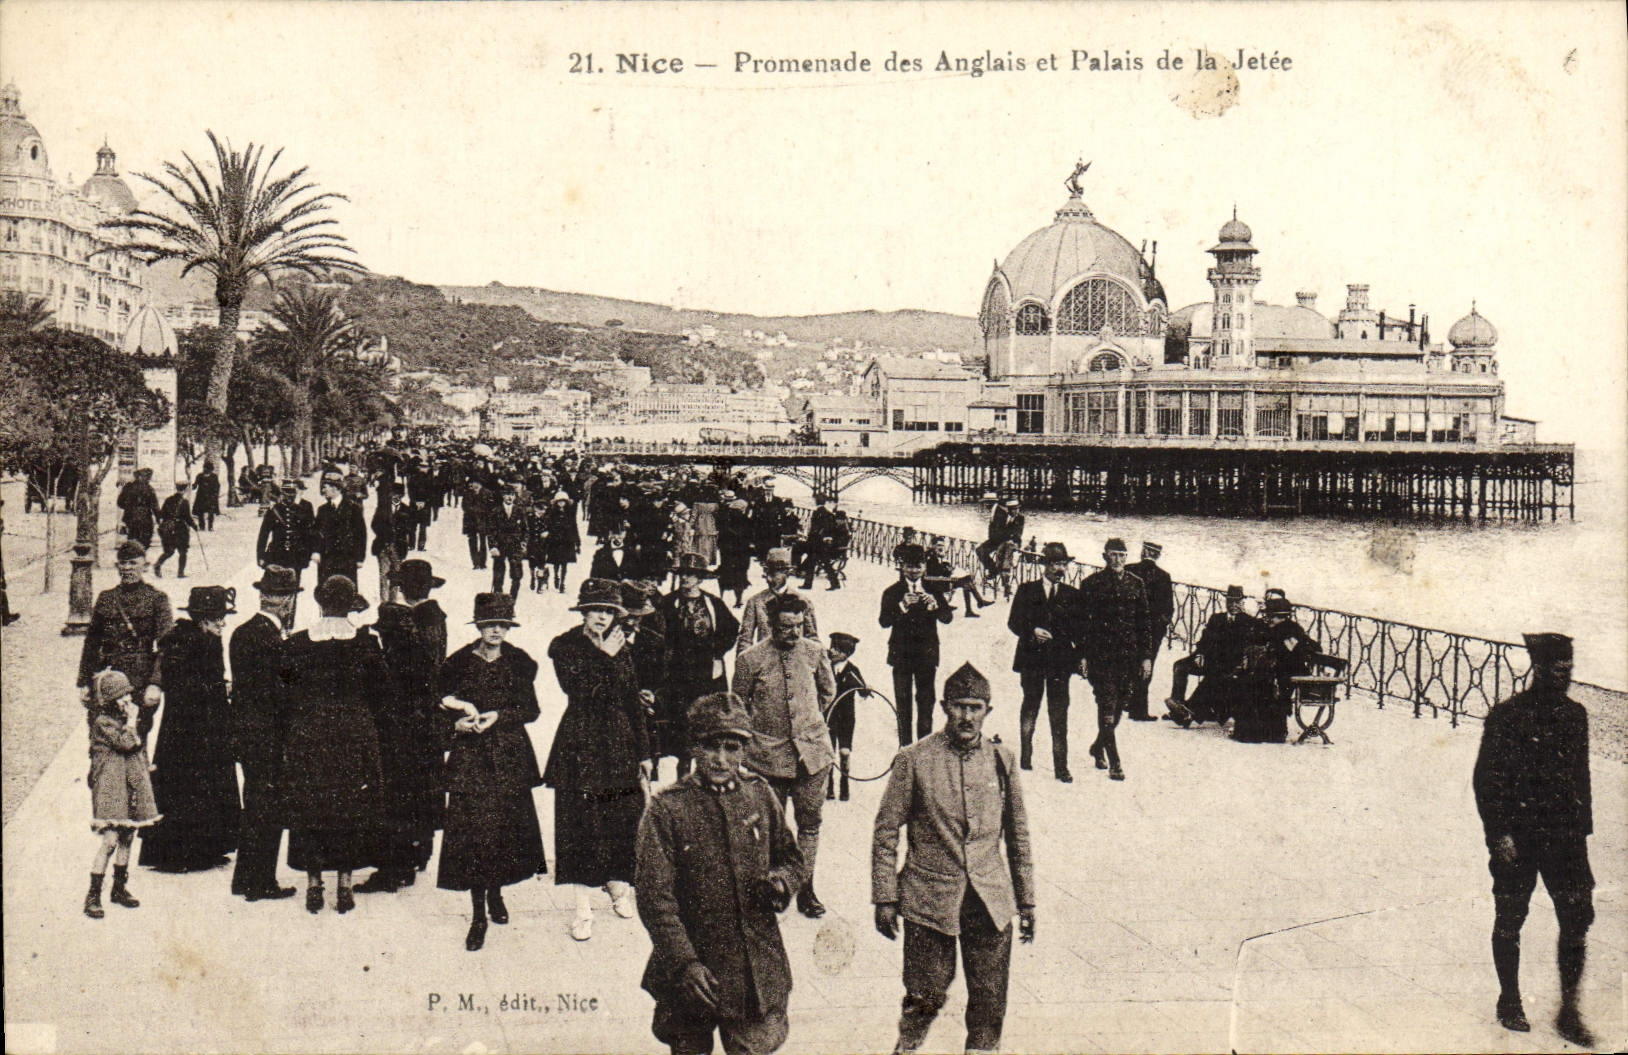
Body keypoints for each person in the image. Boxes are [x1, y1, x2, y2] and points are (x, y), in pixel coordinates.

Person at [872, 662, 1035, 1055]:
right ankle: (907, 1048)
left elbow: (1018, 836)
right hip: (929, 899)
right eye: (959, 706)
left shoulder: (1002, 760)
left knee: (989, 1002)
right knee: (923, 997)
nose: (967, 716)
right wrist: (885, 897)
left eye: (975, 708)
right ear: (944, 707)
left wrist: (1027, 901)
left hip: (989, 900)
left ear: (987, 711)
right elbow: (886, 831)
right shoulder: (914, 759)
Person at [635, 692, 806, 1055]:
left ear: (745, 750)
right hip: (693, 969)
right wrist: (685, 963)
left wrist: (781, 883)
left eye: (732, 747)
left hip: (753, 967)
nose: (721, 758)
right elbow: (655, 900)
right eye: (711, 746)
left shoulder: (759, 795)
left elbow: (792, 859)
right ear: (694, 747)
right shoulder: (667, 809)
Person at [1473, 633, 1596, 1046]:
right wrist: (1498, 835)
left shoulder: (1575, 716)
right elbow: (1485, 781)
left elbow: (1581, 779)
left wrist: (1582, 836)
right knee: (1510, 918)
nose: (1565, 677)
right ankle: (1509, 999)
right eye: (1558, 670)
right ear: (1538, 669)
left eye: (1569, 670)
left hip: (1564, 838)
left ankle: (1568, 1011)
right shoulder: (1507, 715)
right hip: (1519, 836)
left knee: (1576, 919)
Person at [436, 593, 549, 952]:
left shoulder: (519, 662)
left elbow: (531, 710)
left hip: (509, 757)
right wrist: (458, 722)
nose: (496, 631)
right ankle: (477, 915)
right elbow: (437, 704)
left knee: (502, 830)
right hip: (471, 760)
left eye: (502, 625)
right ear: (478, 627)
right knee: (474, 834)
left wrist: (499, 716)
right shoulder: (457, 662)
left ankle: (496, 894)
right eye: (489, 625)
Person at [545, 578, 652, 941]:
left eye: (608, 611)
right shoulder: (564, 646)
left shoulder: (620, 644)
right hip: (581, 743)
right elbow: (578, 690)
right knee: (581, 823)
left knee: (622, 818)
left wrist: (644, 752)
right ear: (583, 613)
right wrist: (603, 656)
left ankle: (618, 887)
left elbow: (631, 699)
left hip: (619, 743)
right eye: (595, 610)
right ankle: (582, 908)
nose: (602, 618)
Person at [280, 575, 389, 915]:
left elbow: (284, 691)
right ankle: (344, 883)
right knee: (350, 804)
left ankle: (314, 882)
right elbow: (382, 693)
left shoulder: (298, 642)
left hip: (310, 732)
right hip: (352, 732)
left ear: (320, 603)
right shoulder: (366, 643)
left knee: (311, 802)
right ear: (350, 606)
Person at [734, 594, 836, 919]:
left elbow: (828, 692)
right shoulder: (750, 659)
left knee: (810, 824)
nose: (794, 633)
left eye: (799, 626)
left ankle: (805, 889)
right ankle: (772, 889)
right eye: (786, 627)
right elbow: (738, 704)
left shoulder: (815, 652)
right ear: (771, 626)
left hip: (812, 758)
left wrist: (809, 726)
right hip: (767, 759)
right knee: (769, 828)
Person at [138, 586, 241, 872]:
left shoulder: (194, 638)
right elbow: (191, 684)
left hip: (188, 725)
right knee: (194, 785)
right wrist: (221, 689)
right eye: (218, 618)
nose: (222, 623)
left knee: (191, 784)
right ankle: (187, 854)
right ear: (203, 619)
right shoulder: (194, 642)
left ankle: (199, 850)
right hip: (193, 726)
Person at [363, 559, 451, 893]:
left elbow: (401, 670)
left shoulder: (405, 622)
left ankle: (395, 867)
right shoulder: (434, 618)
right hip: (427, 719)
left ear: (402, 588)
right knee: (422, 788)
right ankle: (419, 853)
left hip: (403, 720)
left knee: (398, 791)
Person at [229, 566, 300, 902]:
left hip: (246, 733)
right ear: (285, 602)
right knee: (269, 809)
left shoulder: (241, 633)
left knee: (253, 804)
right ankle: (262, 882)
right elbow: (280, 694)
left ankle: (245, 879)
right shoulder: (274, 641)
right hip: (270, 736)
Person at [77, 541, 173, 744]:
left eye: (133, 563)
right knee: (102, 735)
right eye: (123, 563)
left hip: (139, 680)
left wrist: (156, 684)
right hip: (106, 678)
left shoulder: (157, 599)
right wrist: (84, 682)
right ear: (117, 566)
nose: (127, 568)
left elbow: (167, 646)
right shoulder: (106, 598)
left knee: (135, 738)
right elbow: (92, 642)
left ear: (145, 566)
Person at [83, 670, 160, 919]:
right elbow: (127, 743)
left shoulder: (125, 719)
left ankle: (119, 888)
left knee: (127, 836)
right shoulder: (103, 723)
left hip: (127, 785)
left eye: (128, 693)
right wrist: (132, 722)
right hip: (110, 788)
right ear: (111, 700)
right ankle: (93, 895)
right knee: (110, 840)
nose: (128, 699)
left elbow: (138, 746)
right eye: (122, 695)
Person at [1007, 542, 1083, 781]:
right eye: (1055, 564)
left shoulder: (1073, 595)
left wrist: (1081, 657)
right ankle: (1026, 755)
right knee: (1030, 706)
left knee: (1059, 713)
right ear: (1045, 565)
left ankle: (1061, 766)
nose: (1060, 569)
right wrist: (1032, 631)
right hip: (1031, 659)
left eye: (1063, 564)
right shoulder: (1026, 590)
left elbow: (1081, 631)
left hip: (1060, 663)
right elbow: (1013, 622)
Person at [660, 552, 740, 780]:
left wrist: (716, 652)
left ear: (700, 578)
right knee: (681, 725)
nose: (686, 578)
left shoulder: (713, 604)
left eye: (692, 574)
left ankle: (706, 774)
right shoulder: (668, 603)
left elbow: (732, 629)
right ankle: (683, 775)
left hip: (706, 674)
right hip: (677, 674)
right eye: (683, 574)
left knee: (707, 723)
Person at [1076, 538, 1150, 782]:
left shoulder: (1136, 584)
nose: (1117, 559)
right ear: (1104, 556)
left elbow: (1144, 624)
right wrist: (1082, 655)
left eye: (1121, 555)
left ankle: (1098, 746)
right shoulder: (1091, 584)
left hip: (1128, 658)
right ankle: (1115, 762)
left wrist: (1146, 657)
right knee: (1107, 705)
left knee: (1119, 707)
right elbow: (1082, 624)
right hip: (1101, 657)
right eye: (1113, 554)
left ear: (1126, 557)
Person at [879, 542, 953, 747]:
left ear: (924, 567)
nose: (914, 571)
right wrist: (902, 606)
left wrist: (935, 605)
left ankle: (923, 749)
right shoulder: (893, 592)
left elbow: (947, 618)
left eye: (918, 566)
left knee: (926, 704)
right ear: (903, 567)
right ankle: (905, 749)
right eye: (909, 566)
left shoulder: (933, 590)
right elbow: (884, 621)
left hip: (926, 655)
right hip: (901, 655)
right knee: (903, 704)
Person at [1165, 585, 1263, 728]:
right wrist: (1199, 654)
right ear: (1226, 602)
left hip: (1228, 664)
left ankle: (1185, 712)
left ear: (1242, 602)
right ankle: (1178, 705)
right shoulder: (1217, 618)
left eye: (1237, 602)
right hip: (1208, 659)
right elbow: (1204, 640)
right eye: (1230, 601)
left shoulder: (1249, 622)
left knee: (1215, 676)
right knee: (1180, 666)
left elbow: (1250, 646)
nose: (1233, 605)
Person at [1232, 595, 1319, 744]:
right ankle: (1255, 731)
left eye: (1272, 617)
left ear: (1282, 617)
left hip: (1288, 674)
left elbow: (1310, 649)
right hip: (1276, 672)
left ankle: (1265, 732)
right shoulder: (1273, 629)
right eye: (1269, 616)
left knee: (1257, 686)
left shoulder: (1291, 630)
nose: (1269, 619)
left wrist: (1293, 647)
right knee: (1248, 682)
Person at [621, 582, 675, 779]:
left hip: (644, 725)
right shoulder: (601, 644)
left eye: (636, 617)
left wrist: (653, 696)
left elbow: (666, 681)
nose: (630, 622)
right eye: (626, 616)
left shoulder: (654, 642)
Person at [737, 547, 819, 655]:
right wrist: (745, 662)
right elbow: (745, 640)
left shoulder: (803, 601)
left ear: (787, 573)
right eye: (766, 572)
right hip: (765, 661)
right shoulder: (755, 602)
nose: (768, 578)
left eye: (774, 573)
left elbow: (812, 638)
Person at [1124, 542, 1173, 721]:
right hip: (1152, 631)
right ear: (1157, 555)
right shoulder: (1164, 576)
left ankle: (1127, 701)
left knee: (1129, 663)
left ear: (1143, 551)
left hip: (1129, 627)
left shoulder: (1129, 569)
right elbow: (1169, 609)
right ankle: (1139, 710)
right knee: (1146, 666)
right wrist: (1160, 628)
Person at [826, 631, 869, 802]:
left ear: (846, 653)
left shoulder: (852, 670)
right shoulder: (825, 668)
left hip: (846, 719)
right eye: (832, 649)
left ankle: (844, 785)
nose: (832, 652)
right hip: (828, 717)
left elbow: (863, 691)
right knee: (828, 752)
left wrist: (866, 689)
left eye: (836, 650)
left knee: (844, 752)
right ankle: (828, 787)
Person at [258, 481, 315, 593]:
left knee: (293, 587)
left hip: (296, 555)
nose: (289, 496)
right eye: (286, 493)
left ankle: (291, 605)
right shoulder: (274, 510)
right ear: (282, 494)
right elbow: (263, 534)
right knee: (275, 586)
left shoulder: (302, 509)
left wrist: (307, 554)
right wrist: (260, 556)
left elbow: (308, 533)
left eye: (292, 493)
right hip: (276, 554)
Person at [313, 477, 367, 588]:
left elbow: (361, 534)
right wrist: (316, 551)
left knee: (347, 589)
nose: (323, 490)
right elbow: (316, 532)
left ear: (335, 489)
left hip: (347, 558)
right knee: (326, 590)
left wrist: (360, 558)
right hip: (327, 558)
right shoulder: (322, 510)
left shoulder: (353, 509)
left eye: (325, 487)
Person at [370, 487, 415, 604]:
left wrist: (409, 540)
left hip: (399, 547)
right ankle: (384, 601)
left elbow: (411, 528)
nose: (396, 497)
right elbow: (374, 525)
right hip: (383, 545)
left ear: (402, 496)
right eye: (394, 494)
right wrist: (384, 533)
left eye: (399, 495)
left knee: (396, 575)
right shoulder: (382, 508)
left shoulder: (407, 509)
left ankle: (393, 600)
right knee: (384, 575)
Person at [486, 485, 530, 598]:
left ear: (515, 497)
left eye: (512, 495)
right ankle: (498, 597)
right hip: (500, 545)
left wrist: (524, 542)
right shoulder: (495, 511)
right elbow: (491, 531)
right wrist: (493, 546)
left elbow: (525, 530)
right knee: (498, 573)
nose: (509, 497)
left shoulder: (520, 511)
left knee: (516, 574)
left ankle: (512, 598)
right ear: (503, 496)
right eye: (507, 495)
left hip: (515, 545)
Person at [927, 536, 987, 619]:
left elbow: (943, 568)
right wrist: (946, 569)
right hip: (935, 583)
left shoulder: (938, 555)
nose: (941, 547)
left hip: (942, 580)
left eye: (942, 545)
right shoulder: (930, 556)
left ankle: (975, 605)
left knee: (967, 580)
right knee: (966, 581)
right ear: (933, 545)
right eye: (939, 545)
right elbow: (934, 572)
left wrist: (947, 567)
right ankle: (976, 605)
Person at [715, 495, 754, 607]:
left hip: (727, 551)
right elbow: (750, 536)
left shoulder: (725, 518)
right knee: (740, 575)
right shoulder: (746, 519)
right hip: (741, 552)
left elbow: (720, 534)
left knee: (725, 572)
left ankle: (721, 597)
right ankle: (738, 599)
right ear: (743, 508)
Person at [801, 492, 844, 591]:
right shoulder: (829, 514)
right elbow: (830, 528)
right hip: (823, 544)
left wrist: (810, 539)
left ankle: (808, 584)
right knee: (825, 564)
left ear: (816, 501)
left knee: (813, 563)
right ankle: (835, 583)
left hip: (816, 543)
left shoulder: (817, 512)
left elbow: (814, 529)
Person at [153, 480, 196, 579]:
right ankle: (180, 573)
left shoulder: (168, 500)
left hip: (169, 529)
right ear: (185, 490)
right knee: (183, 551)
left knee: (169, 551)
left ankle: (158, 564)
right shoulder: (184, 502)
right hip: (181, 529)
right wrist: (194, 526)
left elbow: (162, 514)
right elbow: (187, 517)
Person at [541, 491, 580, 594]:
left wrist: (577, 542)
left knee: (565, 563)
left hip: (567, 541)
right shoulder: (552, 513)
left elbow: (574, 527)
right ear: (556, 503)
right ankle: (556, 576)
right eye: (559, 502)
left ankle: (562, 582)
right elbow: (549, 525)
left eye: (563, 501)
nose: (561, 503)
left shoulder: (570, 513)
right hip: (555, 540)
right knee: (556, 562)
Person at [117, 467, 160, 550]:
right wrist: (159, 520)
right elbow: (155, 507)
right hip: (145, 521)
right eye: (148, 478)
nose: (148, 480)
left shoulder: (128, 487)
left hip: (131, 520)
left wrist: (130, 508)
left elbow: (120, 503)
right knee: (144, 544)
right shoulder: (149, 489)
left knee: (132, 542)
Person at [462, 479, 492, 570]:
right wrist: (475, 510)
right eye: (474, 483)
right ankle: (475, 562)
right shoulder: (467, 493)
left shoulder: (487, 493)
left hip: (483, 520)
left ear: (481, 484)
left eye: (477, 483)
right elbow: (464, 506)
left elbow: (490, 507)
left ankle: (482, 562)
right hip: (470, 521)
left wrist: (479, 511)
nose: (475, 485)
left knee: (483, 541)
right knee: (472, 541)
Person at [192, 461, 221, 532]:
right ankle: (202, 526)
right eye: (204, 468)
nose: (205, 470)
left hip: (210, 497)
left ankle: (210, 526)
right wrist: (192, 486)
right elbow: (195, 485)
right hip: (201, 497)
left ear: (210, 469)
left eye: (207, 468)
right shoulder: (199, 476)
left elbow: (217, 486)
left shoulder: (214, 477)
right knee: (200, 512)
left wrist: (215, 494)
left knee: (211, 512)